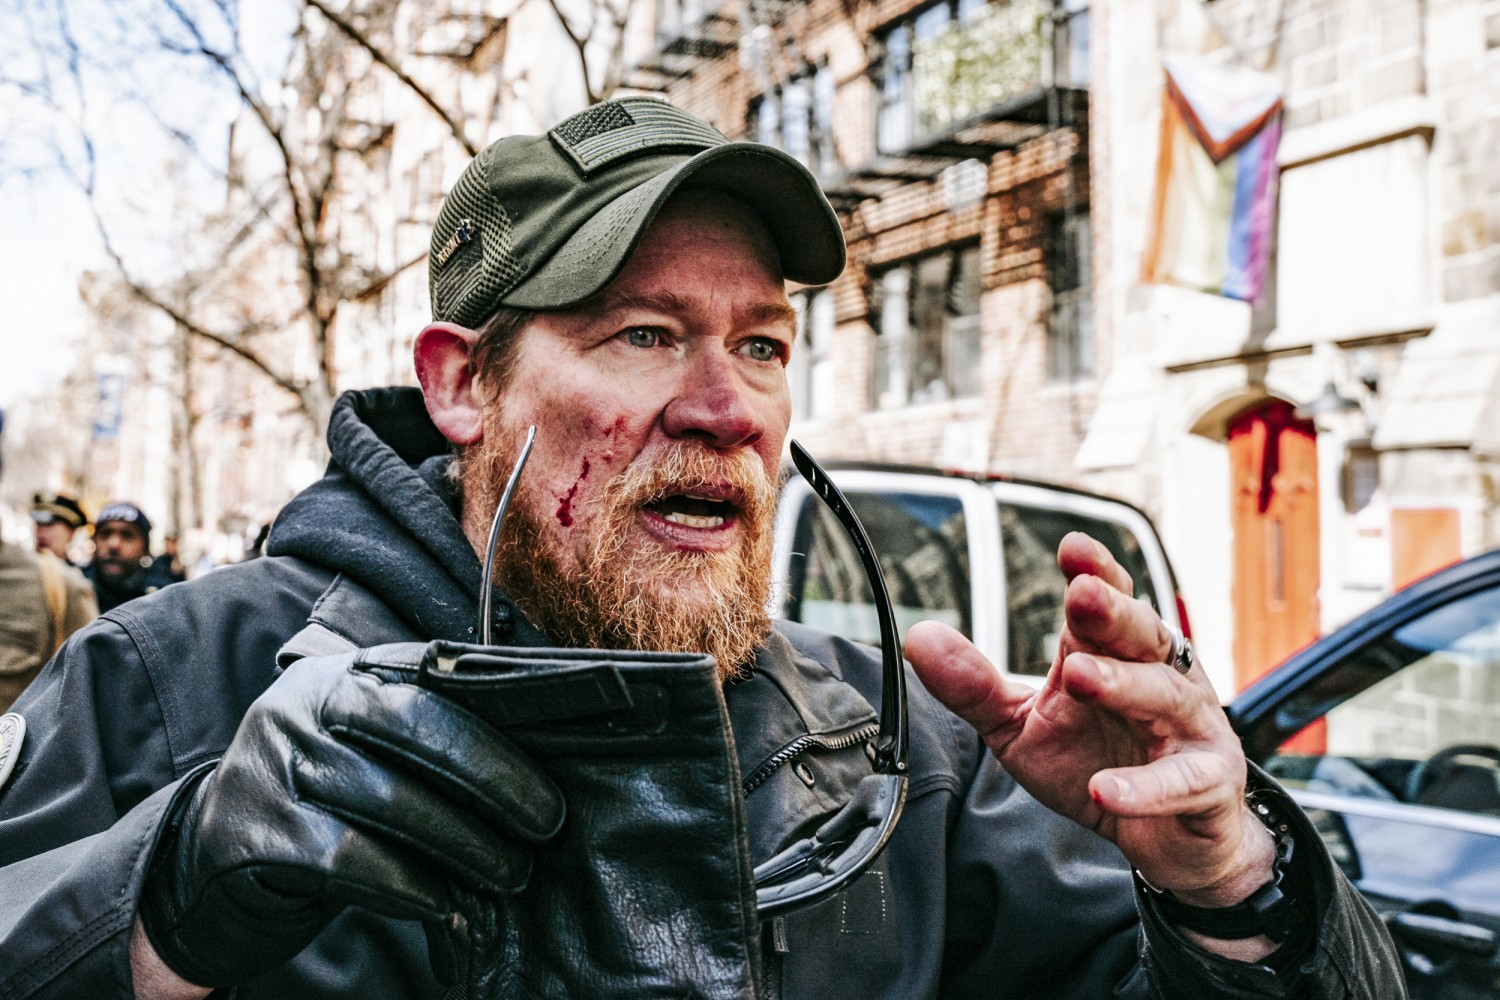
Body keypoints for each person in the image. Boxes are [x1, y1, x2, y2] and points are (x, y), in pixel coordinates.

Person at [0, 98, 1401, 999]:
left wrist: (1232, 891)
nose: (728, 408)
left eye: (764, 344)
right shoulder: (168, 686)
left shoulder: (898, 755)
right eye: (646, 334)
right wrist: (166, 905)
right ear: (460, 384)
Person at [85, 501, 176, 612]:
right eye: (106, 533)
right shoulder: (75, 588)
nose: (114, 544)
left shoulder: (162, 597)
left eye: (127, 535)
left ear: (145, 547)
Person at [30, 492, 88, 562]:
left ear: (71, 532)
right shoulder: (21, 570)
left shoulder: (79, 572)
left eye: (49, 525)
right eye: (38, 525)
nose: (41, 534)